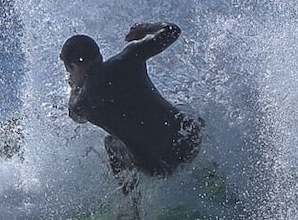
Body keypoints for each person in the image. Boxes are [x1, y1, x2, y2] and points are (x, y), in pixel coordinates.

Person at [59, 22, 202, 195]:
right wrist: (145, 29)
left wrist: (74, 89)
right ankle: (215, 167)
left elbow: (75, 117)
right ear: (99, 55)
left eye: (69, 71)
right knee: (185, 111)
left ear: (73, 66)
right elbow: (172, 31)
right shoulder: (128, 58)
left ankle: (133, 207)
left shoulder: (81, 103)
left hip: (159, 167)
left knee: (111, 143)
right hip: (187, 144)